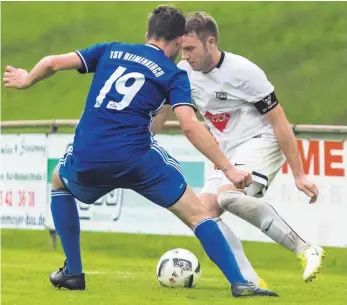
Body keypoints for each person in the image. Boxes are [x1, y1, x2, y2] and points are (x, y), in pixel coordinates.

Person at [2, 5, 278, 298]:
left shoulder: (111, 50)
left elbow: (52, 62)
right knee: (198, 213)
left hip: (89, 151)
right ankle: (239, 282)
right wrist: (229, 168)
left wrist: (27, 79)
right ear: (176, 42)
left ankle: (73, 272)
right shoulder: (173, 74)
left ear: (148, 34)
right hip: (137, 158)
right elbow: (190, 126)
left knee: (59, 180)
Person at [155, 11, 324, 286]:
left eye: (190, 48)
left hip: (262, 140)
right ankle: (250, 281)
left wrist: (299, 174)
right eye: (181, 49)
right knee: (203, 215)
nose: (184, 56)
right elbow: (162, 113)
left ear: (210, 43)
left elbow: (280, 122)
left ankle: (305, 248)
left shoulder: (244, 72)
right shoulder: (183, 74)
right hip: (229, 151)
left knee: (227, 197)